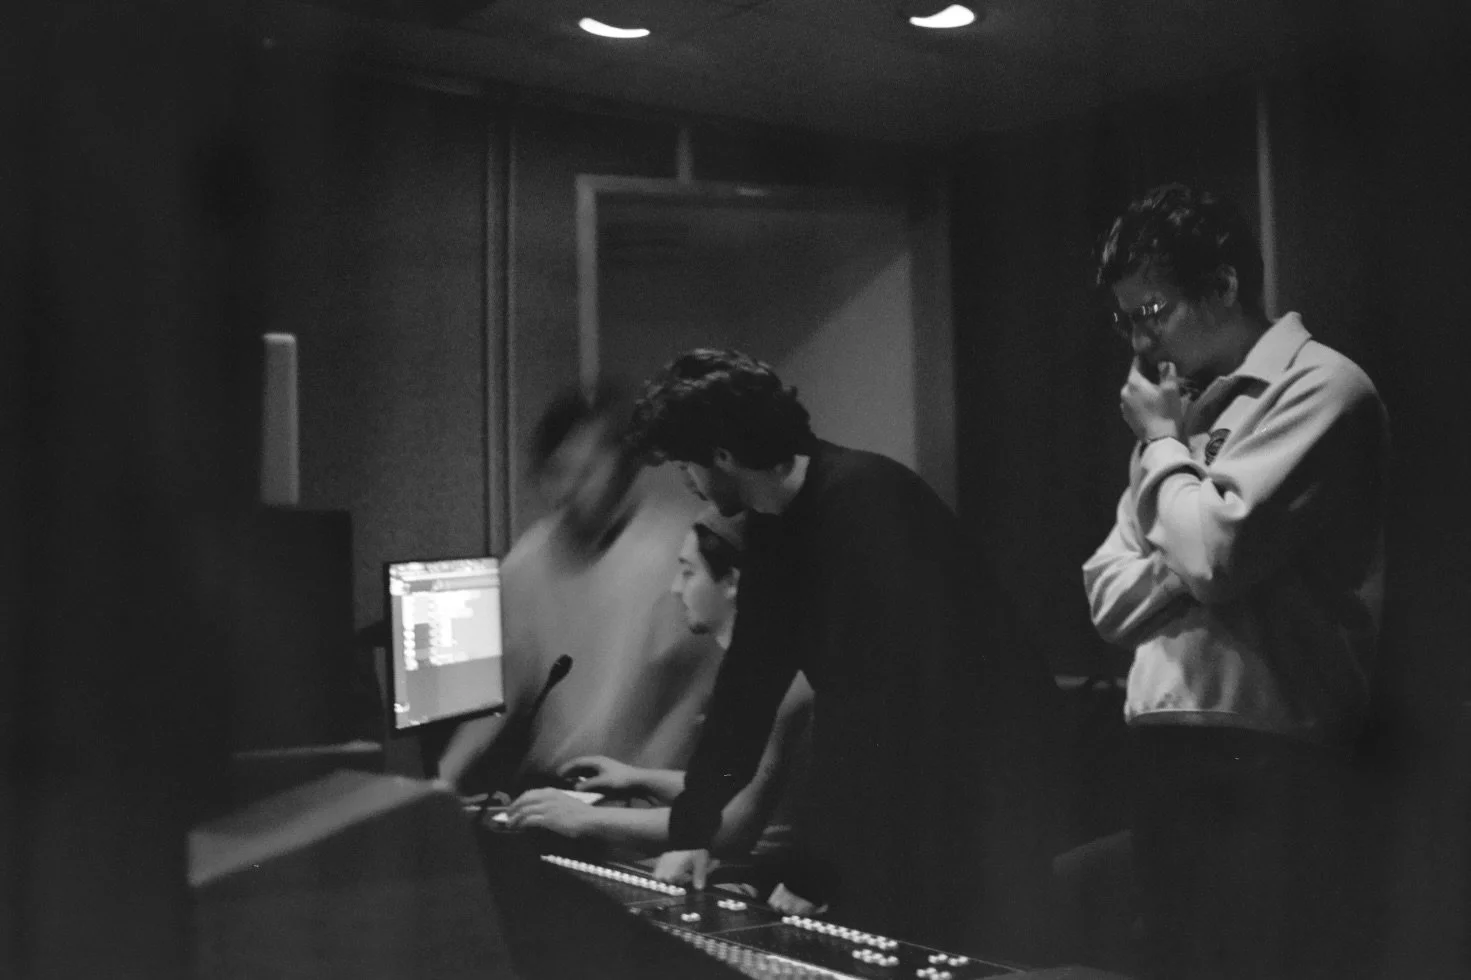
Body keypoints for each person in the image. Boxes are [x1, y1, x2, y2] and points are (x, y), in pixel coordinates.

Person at [628, 349, 1063, 957]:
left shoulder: (866, 501)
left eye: (686, 467)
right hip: (924, 788)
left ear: (723, 456)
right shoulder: (777, 522)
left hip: (982, 788)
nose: (690, 485)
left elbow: (886, 708)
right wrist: (694, 829)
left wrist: (817, 869)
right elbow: (747, 686)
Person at [1082, 183, 1390, 980]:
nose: (1138, 344)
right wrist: (1188, 522)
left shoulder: (1319, 386)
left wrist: (1160, 451)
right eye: (1124, 321)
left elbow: (1214, 560)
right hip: (1160, 741)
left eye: (1149, 313)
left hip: (1271, 750)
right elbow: (1105, 593)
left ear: (1221, 285)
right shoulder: (1180, 413)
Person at [505, 514, 823, 914]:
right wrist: (637, 778)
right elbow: (727, 785)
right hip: (754, 870)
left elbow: (733, 824)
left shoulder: (784, 679)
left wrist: (582, 819)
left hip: (772, 881)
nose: (675, 589)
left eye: (688, 573)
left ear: (733, 582)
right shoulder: (750, 667)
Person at [437, 384, 719, 794]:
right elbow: (507, 683)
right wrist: (444, 776)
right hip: (560, 786)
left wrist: (644, 777)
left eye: (586, 471)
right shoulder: (526, 562)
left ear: (621, 467)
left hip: (649, 792)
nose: (569, 488)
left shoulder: (676, 551)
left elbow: (700, 684)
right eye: (557, 472)